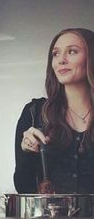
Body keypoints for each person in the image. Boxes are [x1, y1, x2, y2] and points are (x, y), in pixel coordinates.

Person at [14, 28, 94, 194]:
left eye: (72, 52)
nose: (61, 60)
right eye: (56, 54)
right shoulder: (33, 114)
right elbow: (23, 187)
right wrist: (27, 153)